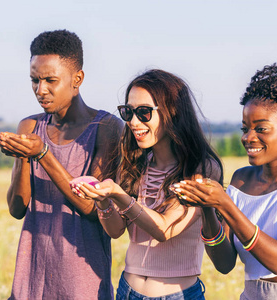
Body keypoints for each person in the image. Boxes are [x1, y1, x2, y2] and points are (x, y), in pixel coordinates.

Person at [172, 63, 277, 299]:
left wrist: (225, 204)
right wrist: (208, 209)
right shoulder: (242, 179)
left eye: (261, 129)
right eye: (245, 128)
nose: (248, 137)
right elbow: (224, 264)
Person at [72, 69, 223, 299]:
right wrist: (103, 200)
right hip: (127, 291)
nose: (133, 122)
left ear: (172, 112)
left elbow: (164, 229)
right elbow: (116, 231)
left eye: (143, 112)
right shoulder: (135, 165)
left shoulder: (201, 169)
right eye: (128, 112)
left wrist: (119, 195)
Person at [0, 29, 123, 300]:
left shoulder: (107, 128)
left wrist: (42, 153)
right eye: (34, 80)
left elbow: (92, 208)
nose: (40, 90)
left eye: (50, 80)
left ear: (77, 79)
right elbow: (17, 208)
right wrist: (22, 155)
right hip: (30, 283)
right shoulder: (30, 126)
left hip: (82, 285)